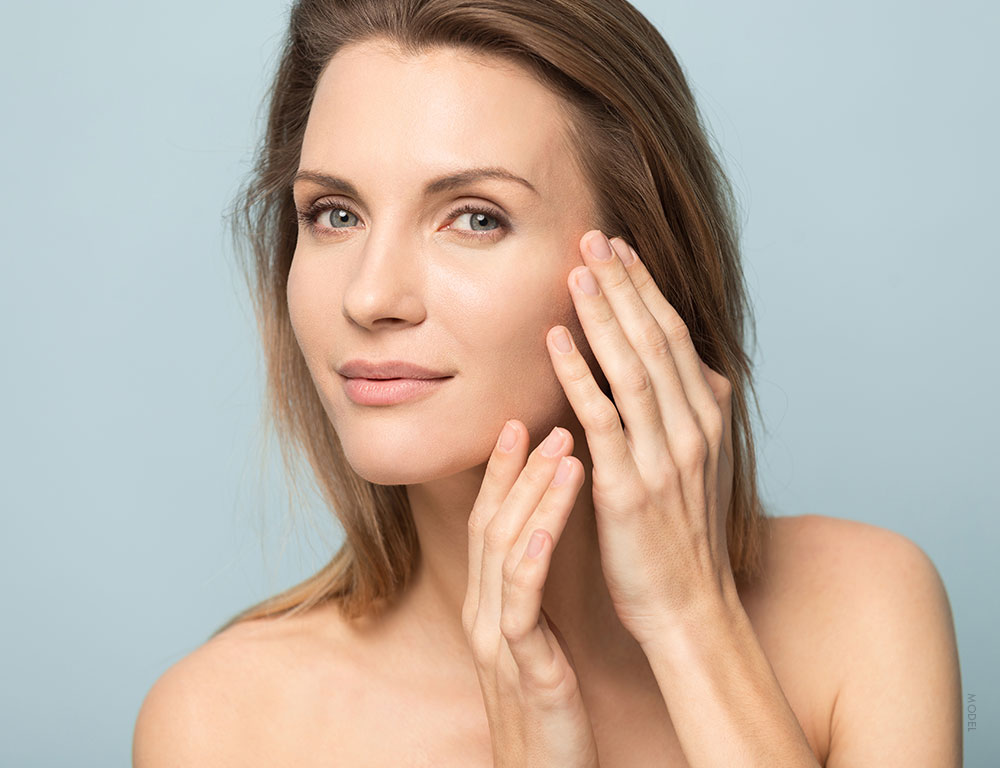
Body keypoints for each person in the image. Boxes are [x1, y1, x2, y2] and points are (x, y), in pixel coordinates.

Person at [132, 1, 962, 765]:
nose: (369, 296)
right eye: (334, 214)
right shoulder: (223, 725)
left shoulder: (865, 613)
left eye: (475, 216)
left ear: (639, 264)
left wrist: (693, 626)